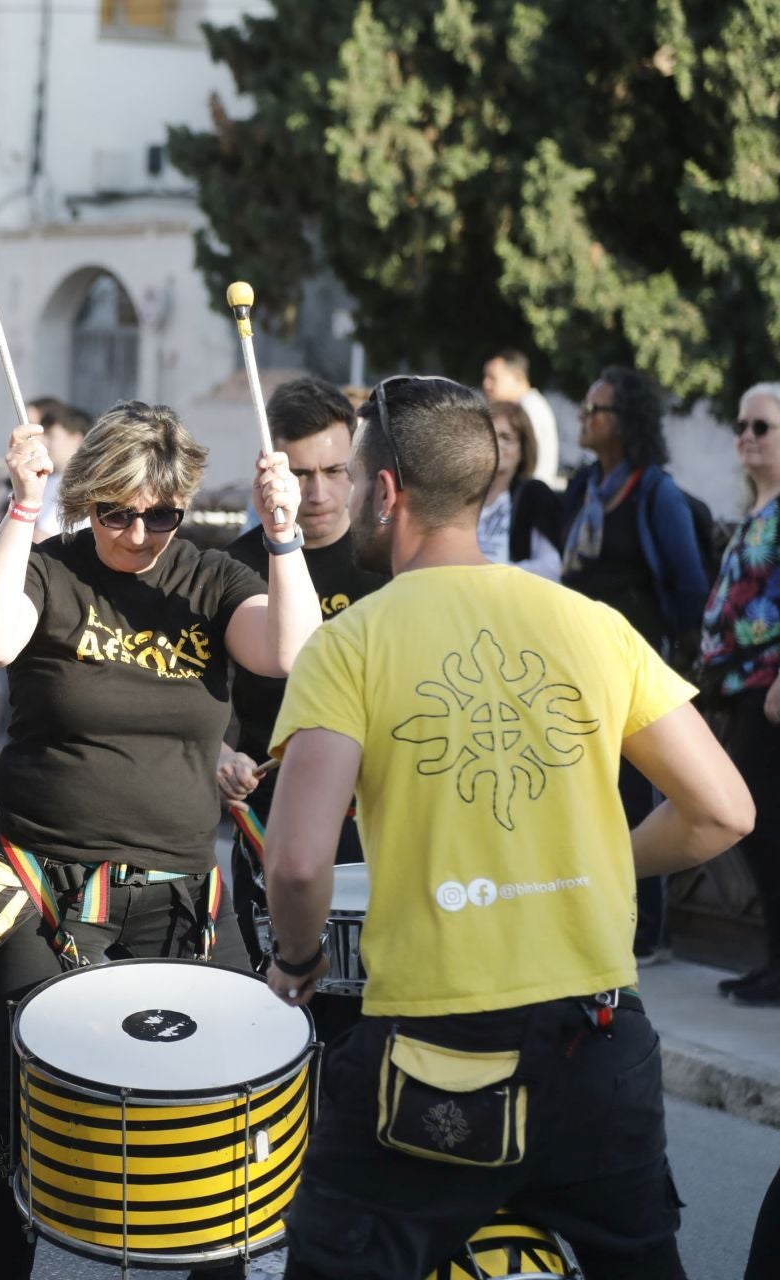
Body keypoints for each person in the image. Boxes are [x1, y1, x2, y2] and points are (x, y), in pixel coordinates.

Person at [260, 373, 753, 1279]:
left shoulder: (350, 644)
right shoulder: (589, 624)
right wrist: (604, 866)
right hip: (599, 1045)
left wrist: (295, 963)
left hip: (428, 1057)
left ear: (387, 491)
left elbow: (295, 865)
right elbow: (724, 810)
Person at [0, 400, 317, 1280]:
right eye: (116, 512)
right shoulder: (48, 570)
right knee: (30, 1092)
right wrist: (22, 507)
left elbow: (296, 651)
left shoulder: (204, 576)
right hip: (40, 883)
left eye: (162, 513)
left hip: (182, 889)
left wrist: (282, 536)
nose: (139, 532)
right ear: (87, 501)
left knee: (214, 1095)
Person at [214, 377, 388, 1000]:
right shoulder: (231, 569)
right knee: (281, 1011)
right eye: (300, 474)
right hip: (272, 823)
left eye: (335, 470)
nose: (317, 493)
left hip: (382, 822)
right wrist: (219, 754)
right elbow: (197, 691)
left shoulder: (394, 563)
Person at [561, 368, 711, 965]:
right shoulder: (581, 489)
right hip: (573, 668)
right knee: (583, 797)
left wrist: (684, 663)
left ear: (628, 422)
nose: (584, 418)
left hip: (634, 671)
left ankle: (647, 933)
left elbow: (689, 585)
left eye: (596, 409)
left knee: (634, 801)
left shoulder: (655, 494)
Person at [698, 382, 780, 1008]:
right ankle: (772, 961)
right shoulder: (759, 506)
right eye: (743, 426)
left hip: (768, 688)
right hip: (741, 688)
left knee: (767, 825)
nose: (747, 437)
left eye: (763, 427)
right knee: (760, 827)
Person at [478, 399, 565, 579]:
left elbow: (552, 566)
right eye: (489, 435)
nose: (496, 444)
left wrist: (497, 573)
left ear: (523, 449)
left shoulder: (533, 495)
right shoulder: (466, 494)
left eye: (506, 438)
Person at [482, 348, 559, 485]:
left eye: (493, 378)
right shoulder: (526, 406)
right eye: (485, 378)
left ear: (518, 378)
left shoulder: (529, 409)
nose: (486, 384)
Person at [25, 398, 91, 541]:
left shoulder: (79, 484)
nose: (42, 442)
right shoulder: (51, 479)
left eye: (50, 436)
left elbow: (41, 537)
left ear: (76, 439)